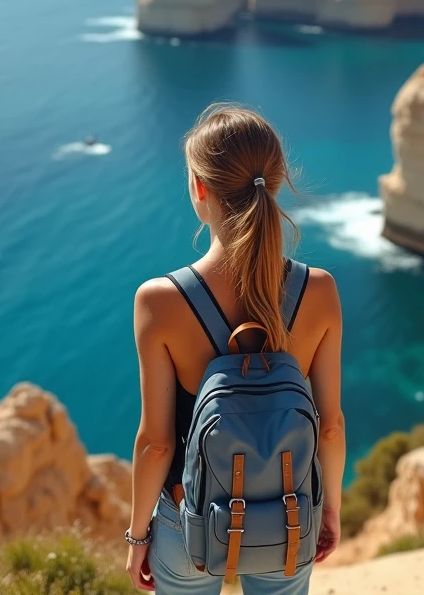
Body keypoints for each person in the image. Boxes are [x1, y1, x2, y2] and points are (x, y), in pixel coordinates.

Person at [125, 103, 345, 594]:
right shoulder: (321, 291)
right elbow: (329, 427)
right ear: (278, 181)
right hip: (289, 512)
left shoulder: (159, 301)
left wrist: (138, 534)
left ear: (199, 189)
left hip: (188, 520)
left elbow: (157, 443)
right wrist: (328, 508)